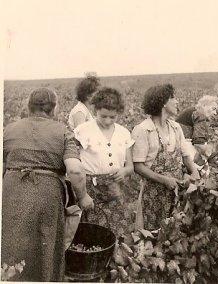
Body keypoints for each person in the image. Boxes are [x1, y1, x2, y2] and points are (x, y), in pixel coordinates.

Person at [2, 88, 94, 282]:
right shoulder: (62, 131)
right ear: (53, 109)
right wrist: (83, 197)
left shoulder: (9, 129)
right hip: (46, 194)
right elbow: (75, 170)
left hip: (11, 192)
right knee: (46, 245)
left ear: (28, 107)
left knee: (12, 245)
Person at [132, 83, 200, 231]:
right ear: (163, 102)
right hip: (152, 193)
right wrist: (164, 180)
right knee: (152, 234)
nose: (177, 101)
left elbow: (186, 156)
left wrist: (194, 173)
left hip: (176, 190)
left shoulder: (176, 128)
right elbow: (138, 166)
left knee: (175, 232)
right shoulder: (143, 130)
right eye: (173, 98)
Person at [74, 87, 135, 238]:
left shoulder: (123, 133)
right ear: (95, 110)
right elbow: (73, 161)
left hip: (115, 188)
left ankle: (117, 259)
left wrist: (124, 172)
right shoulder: (83, 130)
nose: (107, 121)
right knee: (93, 233)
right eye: (103, 116)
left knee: (118, 231)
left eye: (112, 117)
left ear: (118, 113)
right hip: (90, 189)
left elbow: (130, 167)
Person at [176, 95, 218, 174]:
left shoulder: (194, 111)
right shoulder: (200, 114)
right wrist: (210, 151)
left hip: (177, 143)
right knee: (204, 172)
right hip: (181, 143)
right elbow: (198, 143)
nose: (215, 113)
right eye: (213, 109)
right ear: (204, 105)